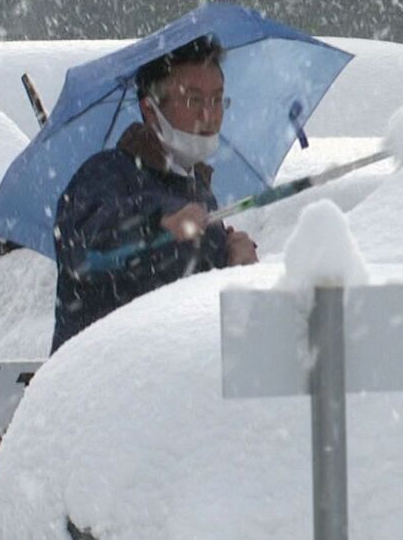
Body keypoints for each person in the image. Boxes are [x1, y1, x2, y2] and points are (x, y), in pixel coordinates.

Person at [51, 36, 258, 353]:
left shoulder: (199, 189)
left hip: (175, 381)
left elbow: (200, 307)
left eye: (218, 100)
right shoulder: (104, 176)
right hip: (102, 382)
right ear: (150, 110)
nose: (210, 115)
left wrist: (236, 266)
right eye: (194, 101)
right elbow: (85, 252)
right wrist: (158, 225)